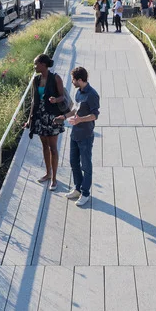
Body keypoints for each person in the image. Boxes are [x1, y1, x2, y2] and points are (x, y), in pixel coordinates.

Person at [59, 66, 99, 207]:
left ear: (80, 80)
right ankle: (77, 188)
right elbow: (75, 109)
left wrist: (80, 120)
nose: (72, 82)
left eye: (73, 80)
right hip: (75, 133)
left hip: (86, 135)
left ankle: (85, 193)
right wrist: (64, 116)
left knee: (86, 165)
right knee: (73, 162)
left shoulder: (92, 94)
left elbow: (95, 115)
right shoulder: (78, 92)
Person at [24, 53, 66, 191]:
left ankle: (54, 178)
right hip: (40, 117)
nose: (34, 66)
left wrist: (55, 99)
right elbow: (33, 100)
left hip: (52, 118)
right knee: (44, 146)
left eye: (36, 63)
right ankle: (48, 174)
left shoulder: (55, 78)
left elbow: (63, 96)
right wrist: (29, 119)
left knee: (53, 148)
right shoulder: (36, 80)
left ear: (43, 64)